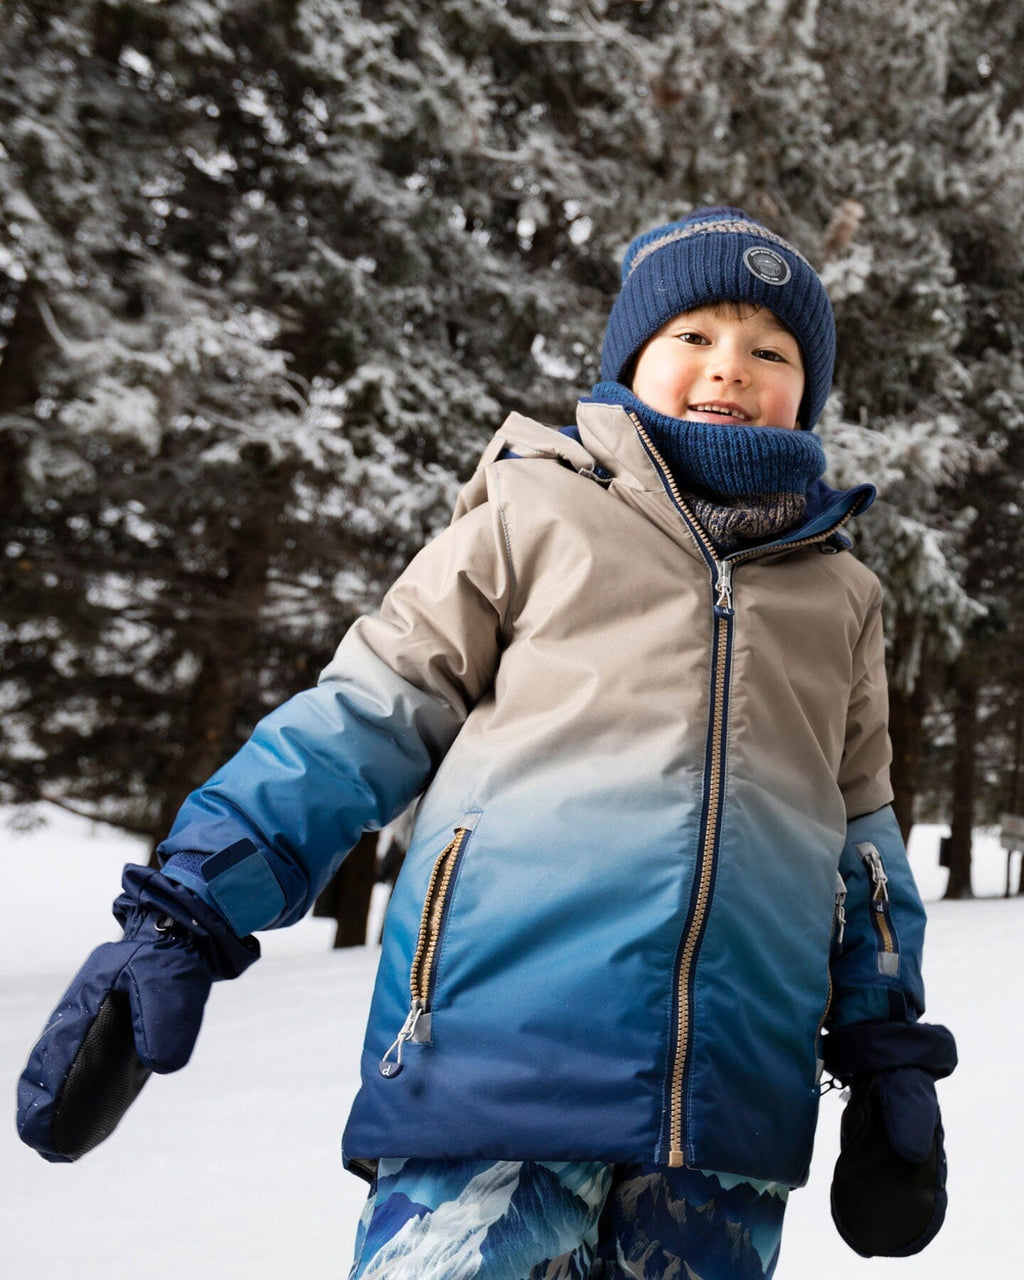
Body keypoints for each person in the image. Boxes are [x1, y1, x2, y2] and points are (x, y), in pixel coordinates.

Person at [18, 208, 956, 1278]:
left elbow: (861, 844)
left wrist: (887, 1053)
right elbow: (364, 713)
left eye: (770, 349)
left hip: (728, 1123)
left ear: (809, 390)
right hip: (491, 1069)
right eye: (693, 335)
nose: (727, 368)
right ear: (630, 359)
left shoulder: (841, 594)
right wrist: (186, 909)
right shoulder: (530, 510)